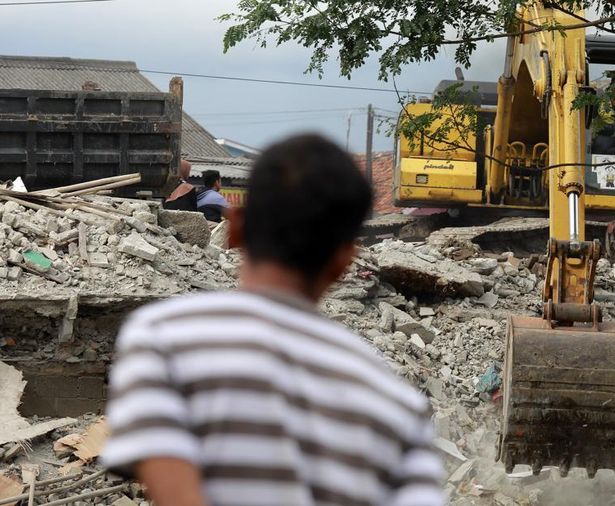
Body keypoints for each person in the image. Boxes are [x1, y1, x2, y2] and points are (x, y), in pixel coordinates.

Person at [101, 134, 444, 506]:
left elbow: (172, 483)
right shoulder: (397, 403)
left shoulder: (161, 338)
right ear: (345, 261)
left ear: (234, 231)